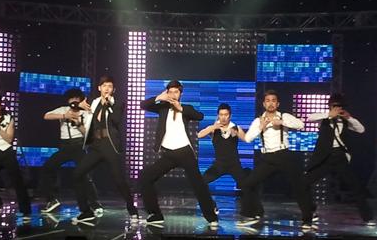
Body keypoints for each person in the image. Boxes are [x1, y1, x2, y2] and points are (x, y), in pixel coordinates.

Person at [139, 80, 219, 227]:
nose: (173, 94)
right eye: (170, 92)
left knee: (198, 184)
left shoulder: (186, 108)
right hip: (169, 154)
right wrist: (159, 97)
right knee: (145, 177)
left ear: (180, 94)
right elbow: (143, 105)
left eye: (176, 92)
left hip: (185, 152)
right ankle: (155, 214)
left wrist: (180, 108)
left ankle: (211, 217)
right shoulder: (162, 108)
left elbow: (200, 116)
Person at [302, 93, 375, 227]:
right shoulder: (323, 118)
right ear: (330, 106)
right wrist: (329, 115)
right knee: (304, 183)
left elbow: (361, 129)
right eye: (335, 106)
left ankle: (368, 217)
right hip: (325, 157)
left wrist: (349, 118)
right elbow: (310, 117)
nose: (337, 108)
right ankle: (310, 213)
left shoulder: (345, 120)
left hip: (340, 157)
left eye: (340, 106)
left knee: (356, 187)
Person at [72, 75, 137, 225]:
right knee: (77, 174)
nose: (107, 88)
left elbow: (116, 121)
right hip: (95, 145)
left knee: (119, 180)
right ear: (99, 88)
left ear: (113, 89)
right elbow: (75, 107)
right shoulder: (93, 102)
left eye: (110, 86)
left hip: (110, 145)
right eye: (104, 85)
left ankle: (132, 209)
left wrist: (108, 105)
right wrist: (79, 106)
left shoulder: (117, 103)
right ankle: (86, 211)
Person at [240, 90, 308, 227]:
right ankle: (253, 214)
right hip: (267, 158)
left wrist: (281, 122)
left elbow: (301, 125)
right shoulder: (258, 120)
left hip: (284, 155)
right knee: (247, 184)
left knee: (299, 186)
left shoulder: (284, 116)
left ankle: (308, 218)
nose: (270, 103)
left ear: (277, 104)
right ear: (264, 104)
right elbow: (248, 138)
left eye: (273, 100)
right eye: (268, 101)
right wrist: (261, 127)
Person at [37, 88, 102, 215]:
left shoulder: (85, 113)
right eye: (71, 99)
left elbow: (88, 135)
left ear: (81, 100)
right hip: (65, 146)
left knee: (84, 174)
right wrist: (64, 116)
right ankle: (52, 199)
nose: (74, 102)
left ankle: (95, 204)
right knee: (48, 168)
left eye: (76, 99)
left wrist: (78, 124)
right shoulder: (63, 110)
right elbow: (46, 116)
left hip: (78, 146)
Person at [197, 103, 253, 215]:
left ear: (230, 115)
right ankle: (212, 206)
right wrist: (213, 127)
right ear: (218, 115)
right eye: (221, 114)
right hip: (219, 165)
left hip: (234, 165)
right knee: (201, 183)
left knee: (247, 185)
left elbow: (246, 139)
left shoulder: (235, 127)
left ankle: (249, 211)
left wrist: (237, 133)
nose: (223, 117)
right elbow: (199, 135)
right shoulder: (213, 129)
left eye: (226, 115)